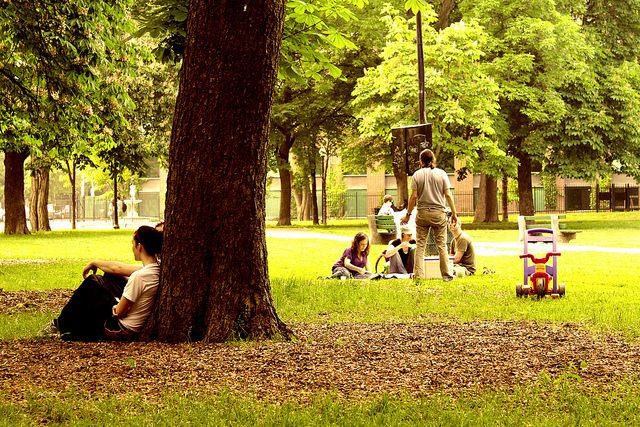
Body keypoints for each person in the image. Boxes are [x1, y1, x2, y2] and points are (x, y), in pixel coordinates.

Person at [47, 226, 162, 341]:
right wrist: (95, 262)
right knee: (109, 276)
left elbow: (119, 312)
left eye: (133, 244)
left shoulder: (139, 277)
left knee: (92, 283)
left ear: (139, 246)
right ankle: (67, 324)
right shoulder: (159, 269)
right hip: (130, 324)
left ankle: (61, 324)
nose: (132, 247)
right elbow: (116, 268)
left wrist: (114, 304)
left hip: (120, 329)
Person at [401, 149, 458, 282]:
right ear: (433, 160)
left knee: (420, 245)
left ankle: (418, 277)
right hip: (439, 214)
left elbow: (413, 196)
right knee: (442, 245)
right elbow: (448, 195)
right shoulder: (442, 174)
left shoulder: (416, 175)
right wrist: (454, 214)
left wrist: (408, 215)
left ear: (420, 161)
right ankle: (447, 276)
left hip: (422, 214)